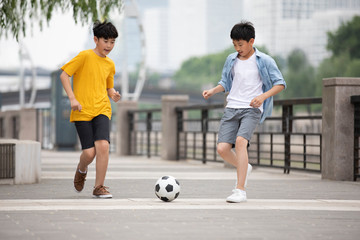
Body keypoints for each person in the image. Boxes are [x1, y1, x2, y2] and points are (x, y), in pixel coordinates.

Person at [202, 21, 286, 203]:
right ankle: (244, 166)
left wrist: (262, 97)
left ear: (251, 41)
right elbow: (225, 82)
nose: (237, 48)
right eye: (234, 45)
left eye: (240, 44)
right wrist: (212, 91)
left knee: (241, 142)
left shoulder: (264, 61)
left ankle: (240, 190)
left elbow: (280, 84)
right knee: (222, 149)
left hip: (251, 108)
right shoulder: (231, 60)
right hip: (232, 107)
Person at [60, 20, 121, 198]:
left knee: (103, 146)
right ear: (96, 39)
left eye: (113, 42)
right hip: (82, 110)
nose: (109, 45)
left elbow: (108, 86)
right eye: (106, 41)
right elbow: (64, 75)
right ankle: (82, 168)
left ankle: (99, 187)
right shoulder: (84, 56)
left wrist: (113, 94)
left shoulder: (110, 64)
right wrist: (72, 98)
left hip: (102, 108)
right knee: (89, 152)